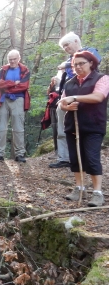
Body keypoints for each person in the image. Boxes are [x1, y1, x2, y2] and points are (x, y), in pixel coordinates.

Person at [58, 51, 109, 207]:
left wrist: (75, 98)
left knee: (92, 158)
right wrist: (67, 106)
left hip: (93, 126)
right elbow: (61, 102)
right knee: (74, 158)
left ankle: (97, 193)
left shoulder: (102, 79)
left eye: (82, 63)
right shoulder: (70, 83)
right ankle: (80, 188)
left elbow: (98, 97)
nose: (78, 67)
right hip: (73, 126)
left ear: (91, 63)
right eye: (75, 65)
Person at [49, 32, 101, 168]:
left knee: (86, 125)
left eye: (67, 44)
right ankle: (64, 157)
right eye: (64, 47)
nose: (66, 48)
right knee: (63, 126)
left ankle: (85, 158)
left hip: (86, 93)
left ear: (76, 41)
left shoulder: (90, 51)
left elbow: (95, 62)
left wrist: (65, 66)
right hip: (66, 93)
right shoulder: (67, 60)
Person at [0, 50, 31, 163]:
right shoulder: (3, 70)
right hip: (4, 99)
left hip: (18, 99)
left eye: (14, 59)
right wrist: (13, 83)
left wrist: (6, 85)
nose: (12, 61)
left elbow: (23, 86)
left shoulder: (25, 71)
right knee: (1, 128)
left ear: (19, 58)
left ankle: (20, 154)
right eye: (10, 59)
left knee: (18, 128)